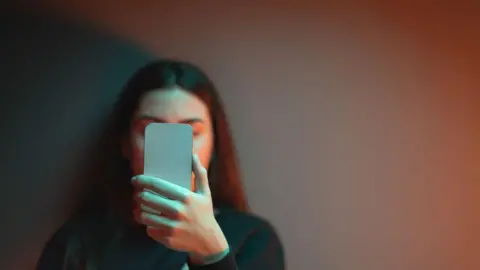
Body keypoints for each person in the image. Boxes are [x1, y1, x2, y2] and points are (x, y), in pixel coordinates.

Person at [36, 59, 285, 270]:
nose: (172, 146)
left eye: (190, 131)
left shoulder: (253, 240)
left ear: (214, 145)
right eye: (152, 129)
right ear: (125, 144)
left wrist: (212, 254)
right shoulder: (76, 244)